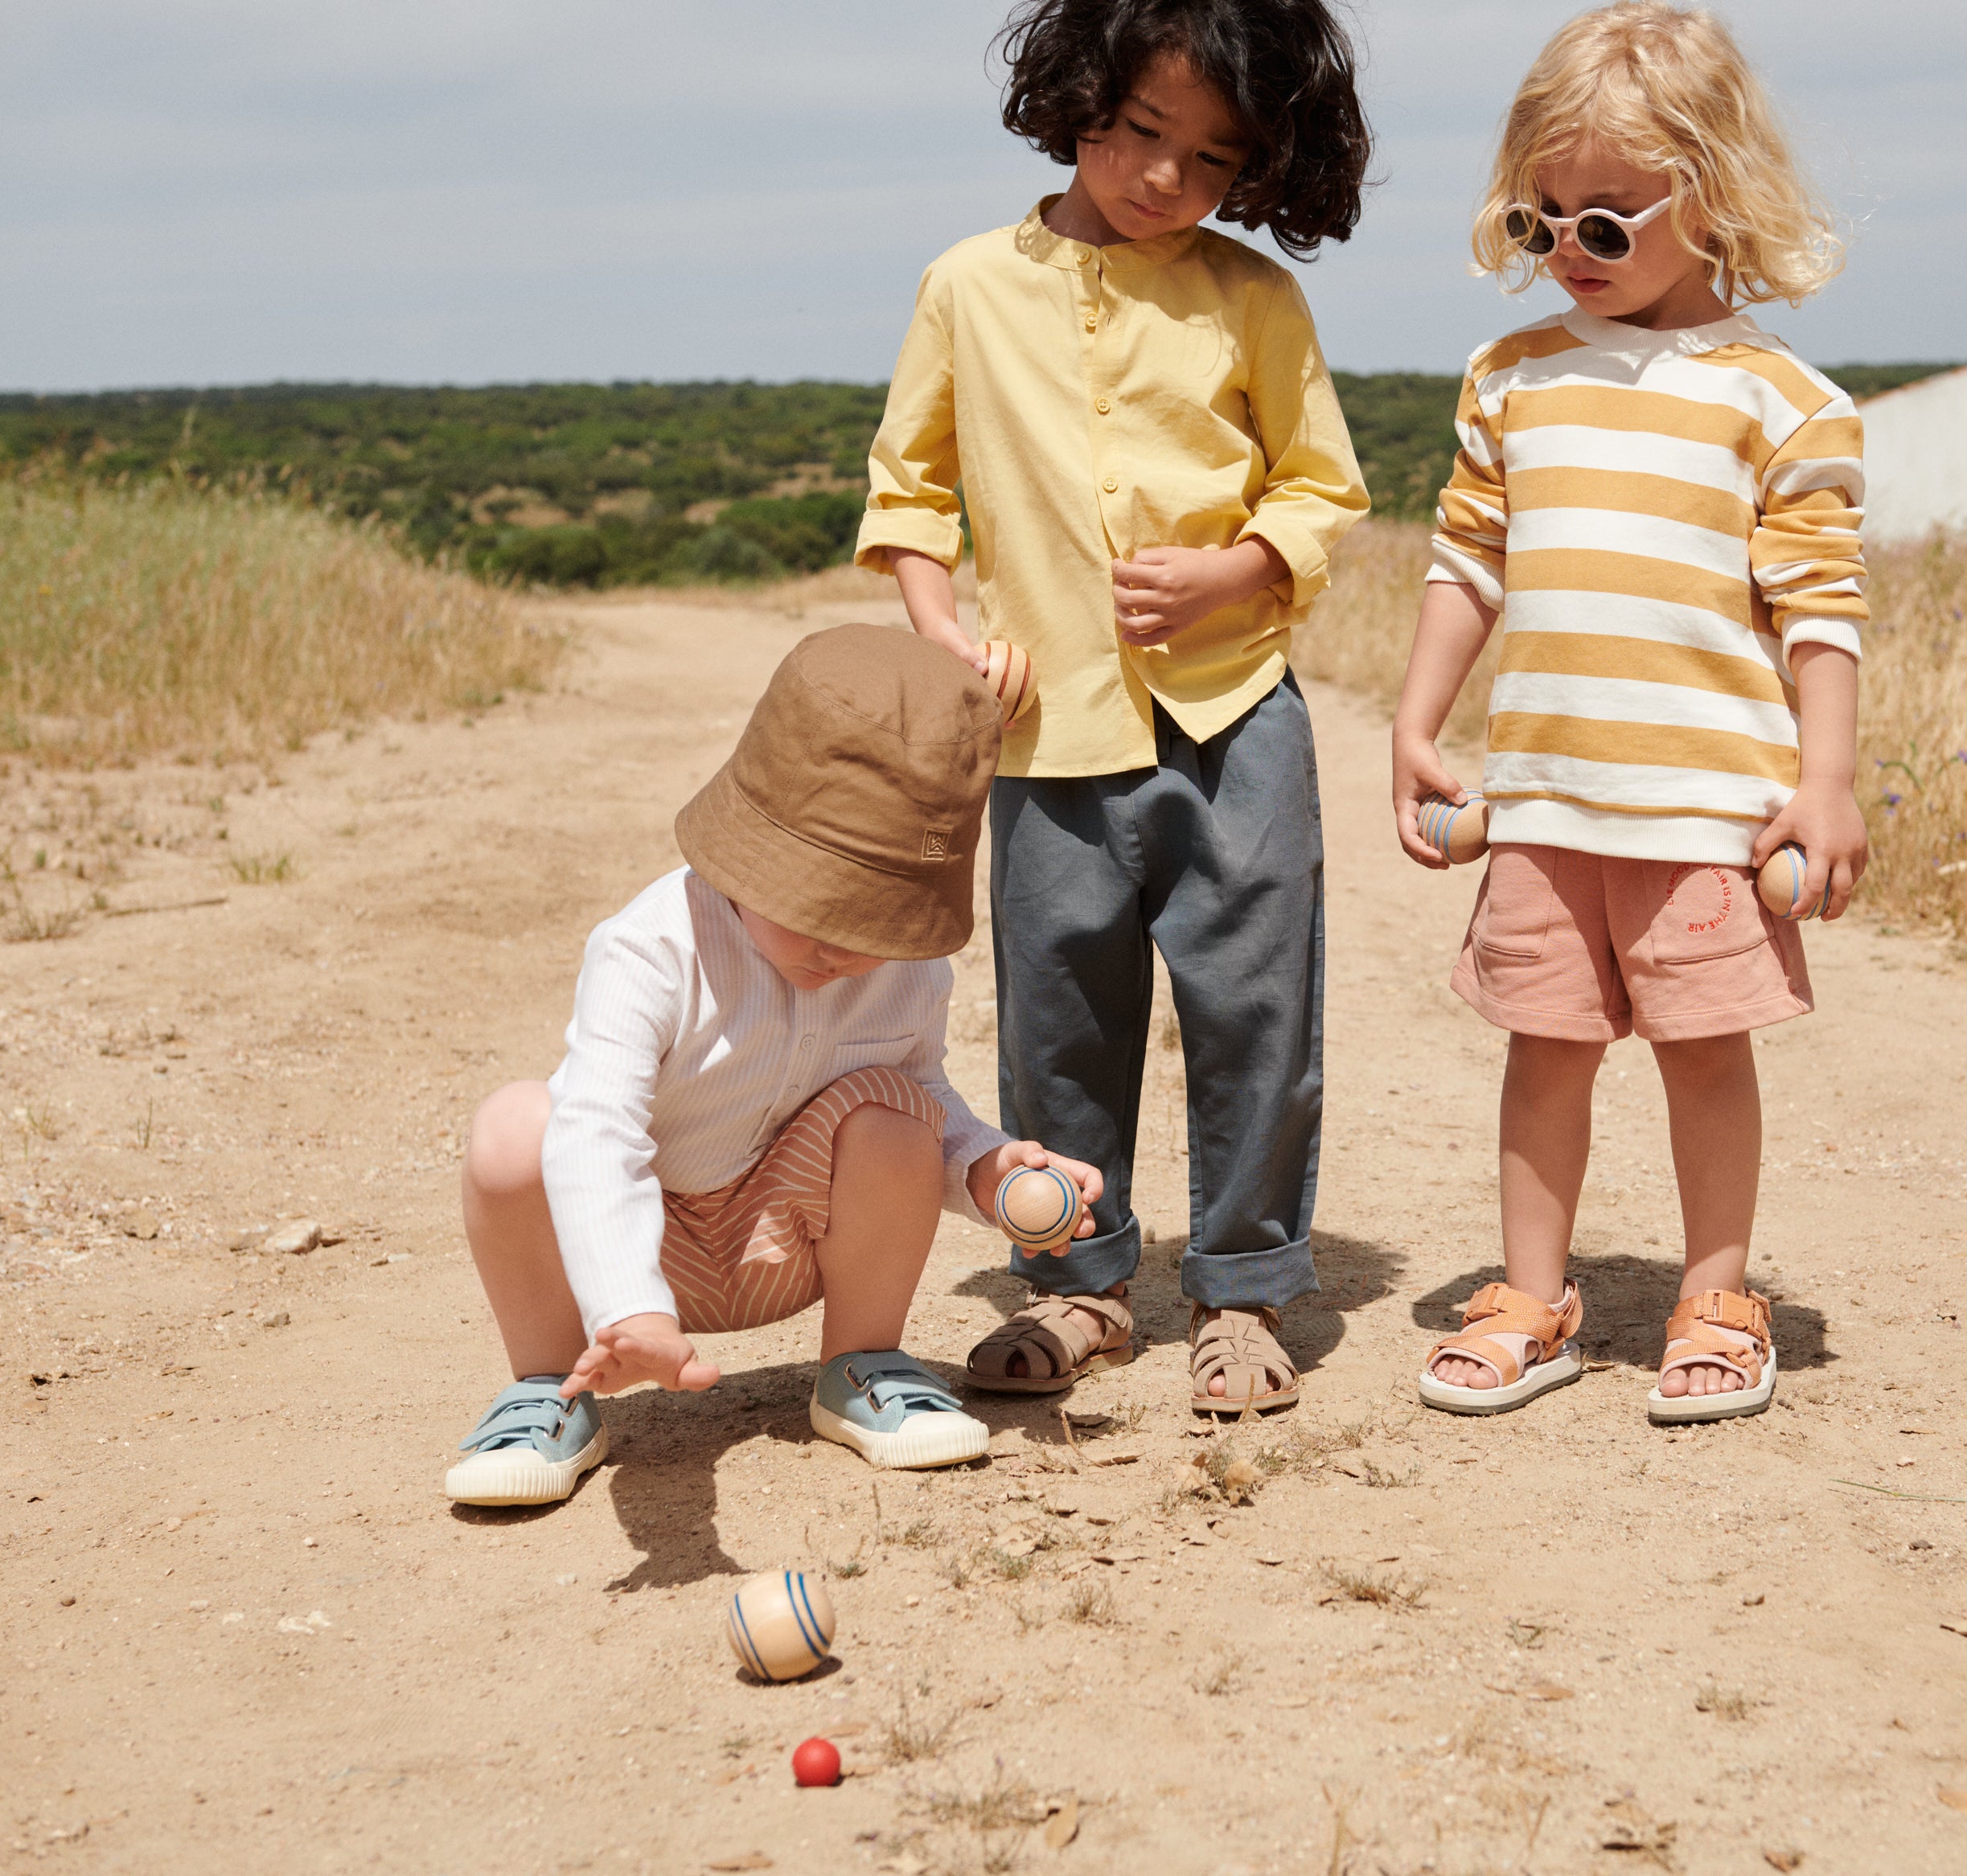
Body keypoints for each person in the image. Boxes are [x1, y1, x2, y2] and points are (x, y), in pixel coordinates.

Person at [857, 0, 1374, 1414]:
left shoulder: (1254, 299)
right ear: (1076, 92)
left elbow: (1322, 485)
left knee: (1255, 1011)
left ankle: (1246, 1293)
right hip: (1043, 730)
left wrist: (1237, 570)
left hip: (1236, 716)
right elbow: (908, 496)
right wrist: (945, 633)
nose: (1165, 176)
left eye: (1213, 159)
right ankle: (1081, 1287)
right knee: (1058, 1021)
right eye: (1144, 130)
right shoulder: (966, 285)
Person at [1388, 2, 1867, 1425]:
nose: (1568, 256)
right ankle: (1534, 1296)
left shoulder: (1781, 402)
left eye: (1606, 223)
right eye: (1542, 225)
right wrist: (1419, 720)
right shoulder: (1513, 381)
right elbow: (1466, 561)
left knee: (1706, 1057)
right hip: (1545, 804)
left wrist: (1825, 780)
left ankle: (1717, 1293)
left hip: (1708, 812)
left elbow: (1821, 611)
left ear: (1711, 197)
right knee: (1545, 1051)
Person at [442, 625, 1105, 1504]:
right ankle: (547, 1390)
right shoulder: (650, 947)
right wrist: (628, 1304)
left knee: (898, 1109)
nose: (839, 948)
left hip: (784, 1238)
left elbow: (928, 1094)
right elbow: (596, 1130)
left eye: (874, 923)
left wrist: (984, 1168)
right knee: (514, 1128)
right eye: (815, 907)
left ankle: (860, 1365)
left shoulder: (907, 972)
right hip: (640, 1245)